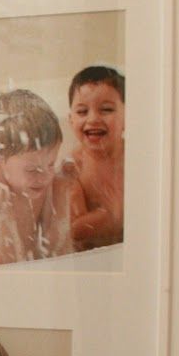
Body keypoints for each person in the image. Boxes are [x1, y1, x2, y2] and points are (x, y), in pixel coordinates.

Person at [0, 89, 71, 266]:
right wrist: (3, 212)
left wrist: (63, 192)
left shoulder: (41, 183)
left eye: (51, 164)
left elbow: (58, 251)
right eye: (32, 170)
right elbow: (9, 266)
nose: (45, 176)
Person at [60, 66, 125, 251]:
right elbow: (76, 231)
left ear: (128, 117)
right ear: (70, 120)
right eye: (82, 112)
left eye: (106, 109)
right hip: (93, 256)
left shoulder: (136, 158)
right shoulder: (73, 167)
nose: (93, 119)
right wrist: (113, 216)